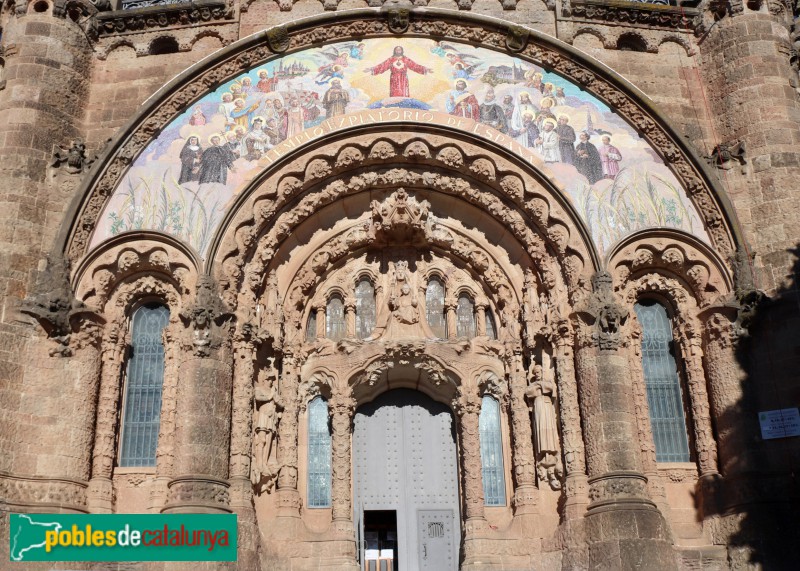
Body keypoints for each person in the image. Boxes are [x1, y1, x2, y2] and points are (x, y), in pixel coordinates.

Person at [365, 45, 433, 98]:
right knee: (395, 92)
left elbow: (415, 66)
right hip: (394, 78)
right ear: (395, 51)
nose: (398, 51)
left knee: (403, 92)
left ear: (402, 51)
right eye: (397, 50)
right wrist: (372, 69)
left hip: (403, 78)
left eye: (399, 50)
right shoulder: (391, 59)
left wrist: (426, 69)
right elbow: (382, 66)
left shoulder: (406, 59)